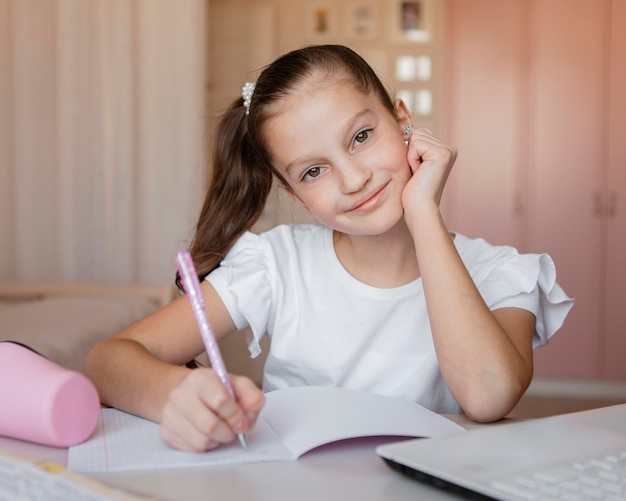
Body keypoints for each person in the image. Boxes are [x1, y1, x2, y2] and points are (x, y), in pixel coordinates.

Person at [84, 44, 574, 453]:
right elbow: (107, 361)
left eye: (361, 137)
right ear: (295, 194)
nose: (354, 178)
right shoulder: (277, 264)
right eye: (313, 171)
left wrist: (423, 212)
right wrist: (176, 393)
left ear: (402, 121)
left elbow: (488, 398)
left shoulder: (498, 272)